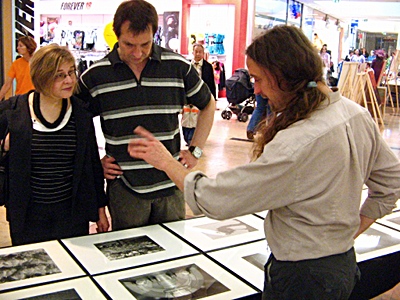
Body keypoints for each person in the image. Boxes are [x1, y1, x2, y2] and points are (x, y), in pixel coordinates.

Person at [127, 25, 400, 299]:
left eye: (258, 79)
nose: (256, 90)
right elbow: (391, 182)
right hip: (340, 264)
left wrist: (165, 161)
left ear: (282, 75)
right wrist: (348, 233)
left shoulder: (298, 143)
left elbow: (218, 198)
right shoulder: (355, 114)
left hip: (303, 279)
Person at [77, 0, 215, 231]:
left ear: (155, 33)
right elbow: (76, 124)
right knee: (129, 253)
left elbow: (208, 105)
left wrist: (195, 151)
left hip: (171, 184)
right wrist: (93, 164)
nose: (138, 53)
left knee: (173, 253)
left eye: (145, 44)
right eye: (129, 44)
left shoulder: (178, 67)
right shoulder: (95, 76)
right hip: (125, 189)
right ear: (116, 36)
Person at [0, 44, 109, 246]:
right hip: (28, 216)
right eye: (59, 75)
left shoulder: (80, 113)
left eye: (71, 72)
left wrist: (100, 209)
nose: (69, 80)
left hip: (71, 215)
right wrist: (4, 148)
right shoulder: (13, 112)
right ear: (42, 76)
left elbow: (91, 164)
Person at [0, 36, 37, 101]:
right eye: (18, 46)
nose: (18, 48)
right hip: (21, 98)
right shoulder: (16, 63)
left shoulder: (38, 62)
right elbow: (7, 84)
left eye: (21, 46)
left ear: (28, 48)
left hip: (35, 97)